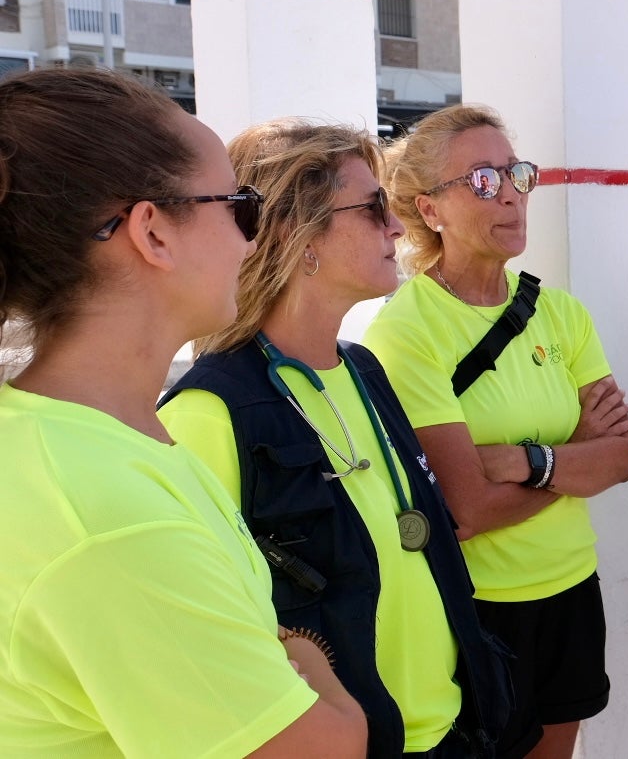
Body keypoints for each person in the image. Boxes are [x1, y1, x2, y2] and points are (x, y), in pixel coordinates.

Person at [0, 68, 365, 756]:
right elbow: (325, 746)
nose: (250, 241)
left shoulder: (81, 443)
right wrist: (303, 655)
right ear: (153, 233)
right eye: (240, 207)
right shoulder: (109, 515)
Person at [158, 119, 511, 758]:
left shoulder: (364, 370)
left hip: (456, 732)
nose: (398, 227)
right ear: (296, 233)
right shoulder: (209, 414)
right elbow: (213, 648)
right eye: (373, 208)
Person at [363, 104, 628, 759]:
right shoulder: (406, 331)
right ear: (430, 209)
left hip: (571, 588)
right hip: (476, 607)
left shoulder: (560, 312)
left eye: (516, 173)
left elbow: (622, 457)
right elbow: (468, 509)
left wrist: (524, 461)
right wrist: (574, 459)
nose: (511, 194)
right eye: (483, 180)